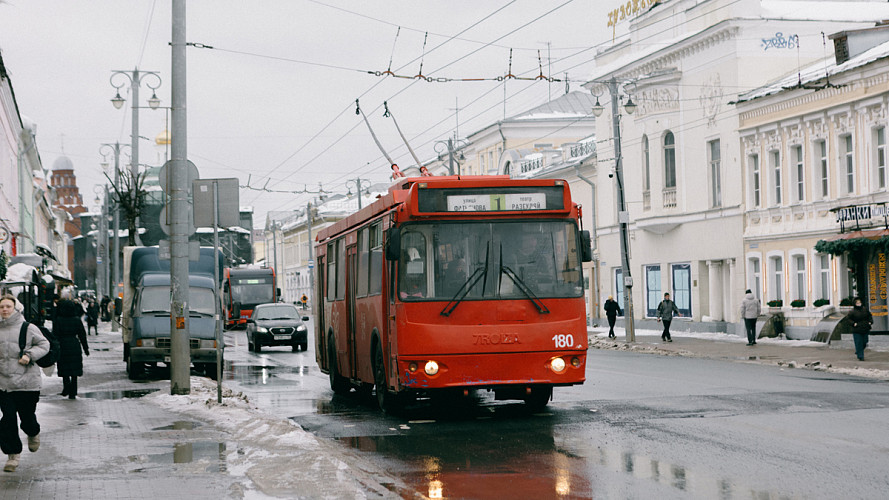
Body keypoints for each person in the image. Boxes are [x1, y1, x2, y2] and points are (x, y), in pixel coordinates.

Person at [0, 294, 49, 473]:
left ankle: (33, 432)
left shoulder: (27, 328)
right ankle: (13, 454)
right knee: (8, 418)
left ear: (15, 308)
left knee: (27, 418)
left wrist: (29, 355)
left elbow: (44, 344)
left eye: (8, 306)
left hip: (27, 383)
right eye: (1, 307)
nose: (4, 310)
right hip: (3, 384)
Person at [53, 294, 90, 399]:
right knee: (74, 370)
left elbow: (55, 335)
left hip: (63, 345)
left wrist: (54, 348)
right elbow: (82, 335)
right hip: (74, 345)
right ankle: (73, 391)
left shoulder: (59, 320)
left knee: (64, 368)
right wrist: (86, 349)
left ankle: (66, 389)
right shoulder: (77, 319)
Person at [845, 297, 872, 361]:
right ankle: (860, 356)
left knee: (865, 342)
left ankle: (858, 350)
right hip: (857, 329)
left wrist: (870, 322)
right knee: (859, 342)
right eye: (857, 303)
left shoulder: (865, 309)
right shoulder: (852, 311)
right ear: (855, 304)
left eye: (859, 302)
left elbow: (869, 315)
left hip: (865, 328)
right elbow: (848, 319)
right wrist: (853, 323)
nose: (859, 304)